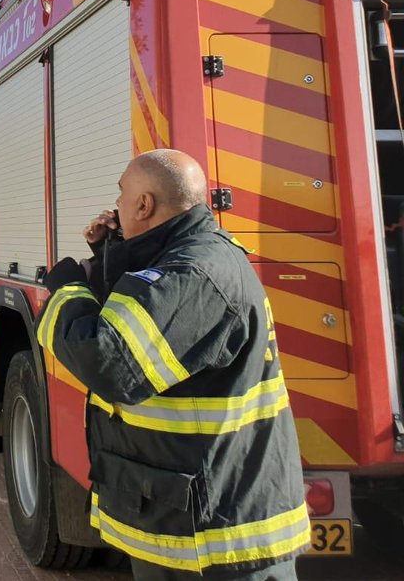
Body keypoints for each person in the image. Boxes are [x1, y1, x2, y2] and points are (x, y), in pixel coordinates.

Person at [35, 149, 308, 580]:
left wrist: (67, 290)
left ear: (145, 205)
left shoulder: (196, 273)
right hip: (192, 525)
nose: (116, 205)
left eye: (122, 195)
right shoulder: (186, 258)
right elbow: (145, 315)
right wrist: (115, 253)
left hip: (217, 544)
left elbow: (108, 361)